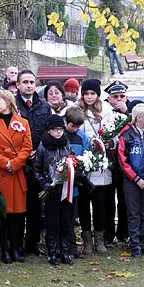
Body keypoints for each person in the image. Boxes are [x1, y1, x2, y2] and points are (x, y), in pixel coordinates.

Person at [0, 89, 32, 264]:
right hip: (1, 173)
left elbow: (27, 147)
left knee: (18, 215)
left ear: (8, 100)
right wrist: (6, 163)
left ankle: (17, 247)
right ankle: (5, 249)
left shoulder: (23, 122)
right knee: (3, 214)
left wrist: (16, 163)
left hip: (17, 173)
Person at [15, 69, 52, 256]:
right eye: (25, 82)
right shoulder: (12, 104)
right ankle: (16, 244)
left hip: (37, 163)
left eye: (32, 82)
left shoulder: (44, 106)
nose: (29, 85)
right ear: (18, 85)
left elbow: (47, 132)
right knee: (18, 206)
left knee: (36, 207)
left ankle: (32, 242)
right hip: (17, 163)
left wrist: (37, 151)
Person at [77, 79, 115, 254]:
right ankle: (86, 240)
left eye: (92, 93)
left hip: (101, 162)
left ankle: (100, 238)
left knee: (100, 204)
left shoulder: (106, 110)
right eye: (86, 94)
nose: (89, 97)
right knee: (83, 204)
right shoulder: (77, 110)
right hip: (83, 161)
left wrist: (106, 143)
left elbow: (112, 132)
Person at [34, 114, 74, 266]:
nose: (58, 133)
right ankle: (52, 252)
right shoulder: (43, 146)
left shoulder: (66, 144)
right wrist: (44, 183)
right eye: (55, 130)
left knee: (66, 220)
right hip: (51, 189)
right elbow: (37, 169)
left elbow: (71, 162)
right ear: (49, 130)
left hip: (66, 188)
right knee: (52, 221)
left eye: (61, 130)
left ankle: (64, 251)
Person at [118, 104, 144, 258]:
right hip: (132, 181)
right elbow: (122, 160)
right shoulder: (126, 135)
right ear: (139, 118)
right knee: (134, 214)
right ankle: (135, 246)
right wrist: (137, 179)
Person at [103, 80, 130, 245]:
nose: (119, 99)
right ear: (109, 99)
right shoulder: (105, 112)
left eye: (122, 96)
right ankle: (108, 232)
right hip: (108, 161)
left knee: (124, 199)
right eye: (115, 96)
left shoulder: (132, 110)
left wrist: (127, 113)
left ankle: (123, 232)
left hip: (125, 162)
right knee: (107, 199)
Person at [63, 106, 90, 258]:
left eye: (78, 126)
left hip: (75, 186)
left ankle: (72, 247)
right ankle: (62, 245)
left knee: (72, 218)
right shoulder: (59, 134)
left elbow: (86, 157)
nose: (75, 129)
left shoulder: (82, 137)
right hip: (61, 185)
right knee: (63, 217)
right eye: (73, 126)